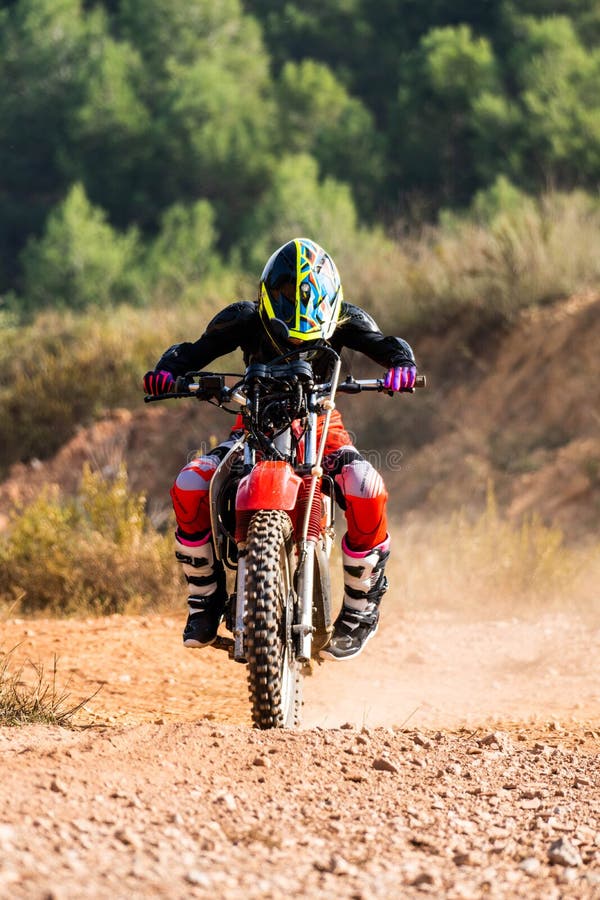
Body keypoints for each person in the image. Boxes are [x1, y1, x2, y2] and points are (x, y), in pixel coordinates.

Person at [143, 238, 417, 661]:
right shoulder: (244, 318)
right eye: (287, 293)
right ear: (269, 291)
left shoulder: (346, 319)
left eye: (304, 296)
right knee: (189, 483)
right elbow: (193, 353)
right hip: (252, 426)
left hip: (323, 428)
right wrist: (167, 373)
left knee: (366, 485)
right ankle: (204, 599)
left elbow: (386, 345)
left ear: (327, 299)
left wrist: (403, 367)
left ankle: (362, 608)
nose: (295, 303)